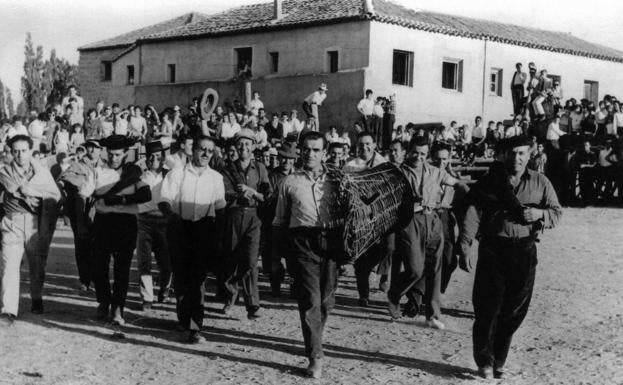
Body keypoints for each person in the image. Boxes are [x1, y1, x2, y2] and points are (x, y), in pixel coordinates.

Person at [457, 135, 562, 379]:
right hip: (493, 248)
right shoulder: (490, 182)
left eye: (522, 153)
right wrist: (464, 245)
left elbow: (556, 213)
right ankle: (484, 359)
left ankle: (499, 357)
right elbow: (474, 212)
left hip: (524, 250)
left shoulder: (540, 182)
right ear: (504, 155)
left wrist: (538, 213)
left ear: (530, 154)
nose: (517, 158)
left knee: (515, 308)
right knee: (487, 306)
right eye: (513, 153)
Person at [272, 131, 343, 378]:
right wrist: (279, 255)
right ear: (300, 151)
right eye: (306, 149)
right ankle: (315, 356)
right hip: (301, 243)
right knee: (310, 300)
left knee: (327, 301)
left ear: (324, 153)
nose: (310, 154)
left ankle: (315, 339)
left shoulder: (337, 180)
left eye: (316, 150)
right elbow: (279, 222)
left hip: (332, 242)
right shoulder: (289, 182)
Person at [387, 136, 468, 330]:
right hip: (410, 221)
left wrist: (466, 188)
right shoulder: (398, 173)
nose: (418, 157)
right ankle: (395, 293)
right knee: (415, 269)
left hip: (433, 220)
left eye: (423, 153)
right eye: (415, 152)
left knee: (434, 268)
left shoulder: (436, 172)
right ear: (408, 151)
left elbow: (454, 182)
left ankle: (432, 315)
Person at [159, 135, 226, 343]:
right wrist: (172, 217)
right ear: (193, 150)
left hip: (204, 230)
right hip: (180, 228)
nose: (206, 153)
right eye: (201, 149)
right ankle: (184, 317)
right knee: (181, 276)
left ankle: (195, 327)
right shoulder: (177, 173)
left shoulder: (216, 178)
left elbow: (220, 207)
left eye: (209, 150)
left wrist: (220, 236)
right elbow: (164, 201)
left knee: (198, 279)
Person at [0, 135, 61, 325]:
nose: (19, 155)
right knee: (9, 264)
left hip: (36, 223)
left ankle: (36, 297)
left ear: (30, 151)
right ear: (10, 152)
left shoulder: (42, 173)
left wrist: (31, 193)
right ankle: (8, 310)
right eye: (15, 151)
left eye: (24, 150)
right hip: (12, 223)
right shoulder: (4, 173)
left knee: (37, 265)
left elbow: (54, 196)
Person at [91, 135, 151, 326]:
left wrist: (121, 200)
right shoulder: (98, 171)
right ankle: (103, 300)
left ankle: (118, 308)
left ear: (125, 154)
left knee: (122, 268)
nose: (113, 158)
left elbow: (145, 193)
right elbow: (85, 193)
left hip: (125, 222)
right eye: (110, 154)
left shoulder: (133, 173)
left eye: (117, 154)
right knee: (99, 266)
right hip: (102, 221)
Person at [220, 129, 271, 319]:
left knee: (250, 261)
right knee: (231, 259)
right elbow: (224, 194)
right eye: (240, 144)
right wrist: (238, 194)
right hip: (233, 216)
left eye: (248, 144)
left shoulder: (260, 169)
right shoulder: (227, 169)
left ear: (253, 147)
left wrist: (252, 192)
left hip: (253, 217)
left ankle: (252, 303)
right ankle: (231, 294)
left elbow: (266, 195)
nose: (244, 148)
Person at [343, 132, 387, 306]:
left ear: (374, 145)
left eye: (368, 144)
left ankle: (383, 272)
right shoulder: (350, 166)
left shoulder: (384, 164)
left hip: (381, 217)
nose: (365, 148)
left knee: (384, 250)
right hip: (359, 218)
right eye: (361, 144)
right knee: (361, 258)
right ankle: (364, 294)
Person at [58, 139, 102, 292]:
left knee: (98, 246)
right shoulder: (78, 165)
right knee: (82, 244)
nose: (92, 150)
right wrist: (79, 184)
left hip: (99, 209)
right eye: (89, 147)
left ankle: (97, 278)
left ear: (100, 150)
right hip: (79, 209)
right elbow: (63, 179)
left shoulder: (104, 165)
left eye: (95, 147)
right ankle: (85, 279)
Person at [135, 141, 173, 310]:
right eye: (150, 156)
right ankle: (147, 298)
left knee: (167, 262)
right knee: (144, 261)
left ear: (162, 158)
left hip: (164, 222)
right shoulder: (140, 176)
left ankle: (164, 291)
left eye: (157, 156)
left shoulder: (169, 175)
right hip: (143, 221)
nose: (153, 159)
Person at [264, 144, 297, 296]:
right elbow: (268, 198)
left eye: (289, 158)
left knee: (294, 258)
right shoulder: (272, 176)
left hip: (293, 223)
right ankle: (275, 286)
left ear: (294, 160)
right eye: (283, 157)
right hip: (276, 221)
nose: (286, 161)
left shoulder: (298, 176)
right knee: (275, 256)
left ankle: (294, 288)